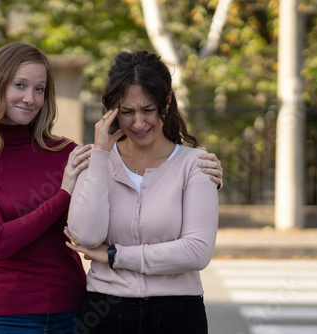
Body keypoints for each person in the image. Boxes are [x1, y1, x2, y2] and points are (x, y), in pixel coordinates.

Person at [0, 42, 222, 334]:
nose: (29, 98)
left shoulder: (67, 153)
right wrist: (64, 193)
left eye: (39, 89)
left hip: (73, 309)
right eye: (19, 85)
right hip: (9, 313)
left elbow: (185, 237)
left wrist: (206, 179)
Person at [65, 50, 220, 334]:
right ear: (112, 110)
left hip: (178, 313)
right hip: (105, 313)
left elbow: (196, 252)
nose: (138, 123)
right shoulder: (94, 161)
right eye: (127, 112)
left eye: (148, 110)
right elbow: (86, 236)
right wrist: (101, 154)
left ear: (167, 103)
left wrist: (114, 256)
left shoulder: (195, 164)